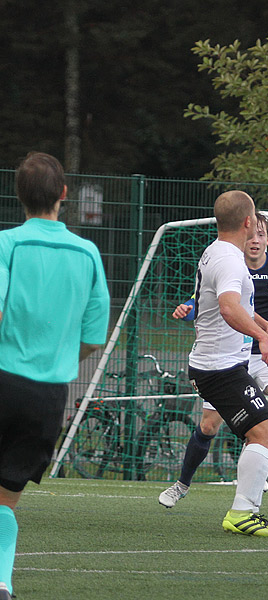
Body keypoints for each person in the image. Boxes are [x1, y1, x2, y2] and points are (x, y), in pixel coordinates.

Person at [0, 152, 110, 598]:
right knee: (6, 497)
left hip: (3, 378)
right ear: (64, 194)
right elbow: (94, 335)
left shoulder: (8, 244)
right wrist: (58, 358)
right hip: (49, 395)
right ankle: (2, 582)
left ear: (18, 195)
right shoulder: (87, 253)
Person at [159, 213, 268, 507]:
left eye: (262, 235)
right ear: (244, 235)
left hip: (266, 356)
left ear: (267, 239)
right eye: (253, 234)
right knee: (209, 426)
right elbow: (218, 306)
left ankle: (259, 462)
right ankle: (182, 483)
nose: (256, 240)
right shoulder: (230, 264)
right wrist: (189, 307)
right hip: (230, 359)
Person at [184, 190, 268, 537]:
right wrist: (260, 338)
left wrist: (263, 325)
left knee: (262, 432)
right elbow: (229, 309)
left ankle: (245, 510)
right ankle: (243, 512)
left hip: (220, 366)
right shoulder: (231, 260)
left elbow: (230, 302)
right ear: (248, 222)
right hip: (219, 369)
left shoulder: (217, 251)